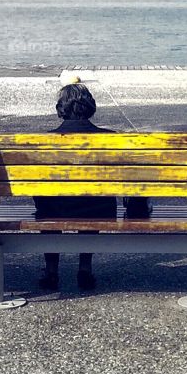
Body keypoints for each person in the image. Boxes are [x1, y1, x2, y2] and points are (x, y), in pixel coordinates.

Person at [34, 80, 116, 293]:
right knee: (93, 201)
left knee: (47, 203)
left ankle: (51, 270)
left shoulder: (45, 141)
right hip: (99, 209)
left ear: (61, 108)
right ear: (90, 106)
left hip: (54, 209)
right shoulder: (111, 139)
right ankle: (85, 268)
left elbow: (36, 184)